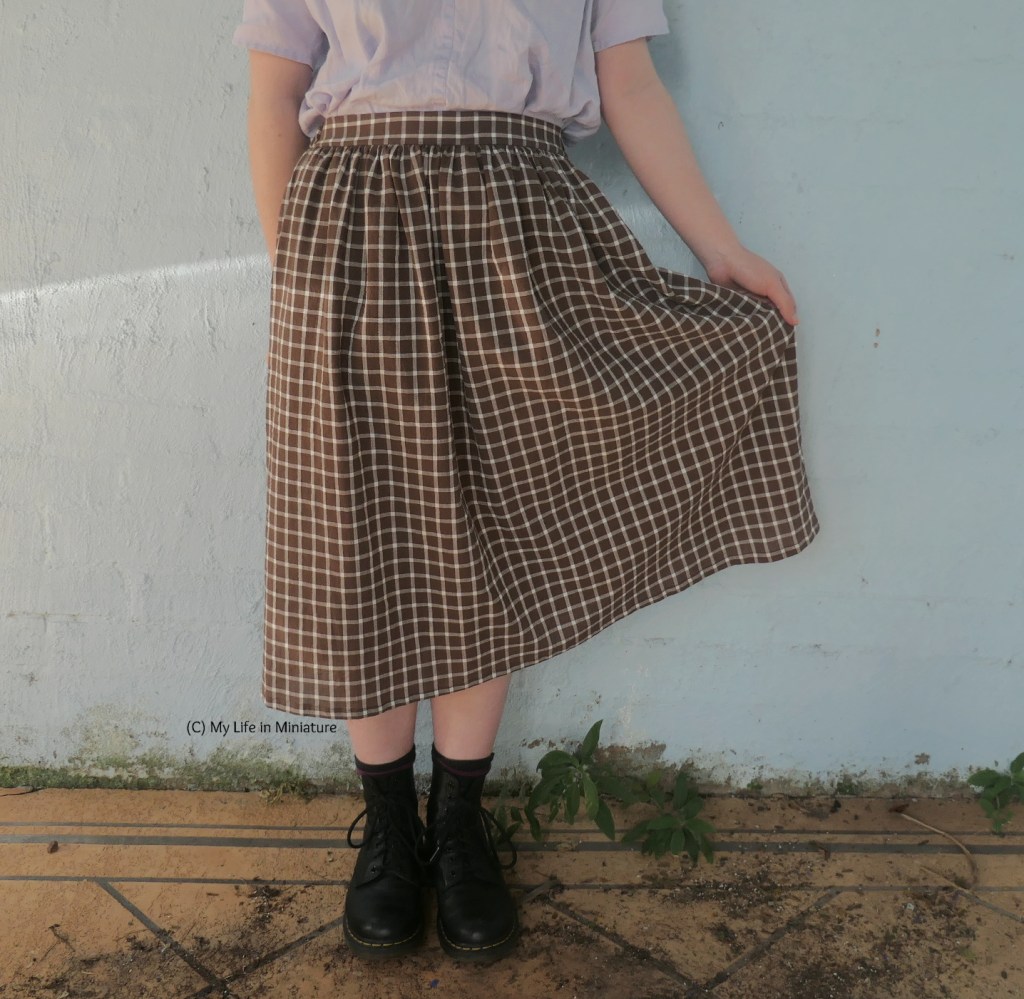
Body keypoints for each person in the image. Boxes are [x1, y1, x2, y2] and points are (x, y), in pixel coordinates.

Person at [233, 0, 818, 965]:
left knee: (498, 517)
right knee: (360, 524)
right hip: (353, 229)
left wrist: (722, 250)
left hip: (527, 236)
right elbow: (273, 92)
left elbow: (628, 83)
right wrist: (294, 274)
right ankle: (388, 831)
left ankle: (457, 825)